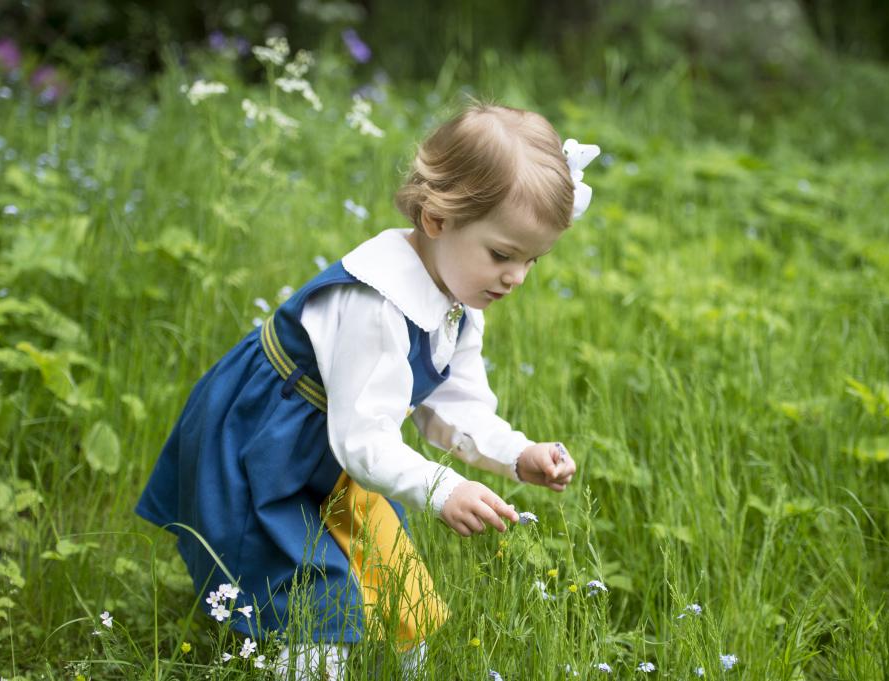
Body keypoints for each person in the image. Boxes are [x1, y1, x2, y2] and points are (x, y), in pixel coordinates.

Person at [135, 101, 599, 678]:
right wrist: (440, 487)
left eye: (533, 260)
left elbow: (455, 405)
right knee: (308, 588)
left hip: (338, 445)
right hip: (266, 439)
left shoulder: (459, 296)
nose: (516, 278)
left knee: (396, 575)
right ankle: (304, 661)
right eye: (502, 254)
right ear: (436, 220)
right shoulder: (372, 304)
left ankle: (405, 666)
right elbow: (362, 439)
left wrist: (515, 453)